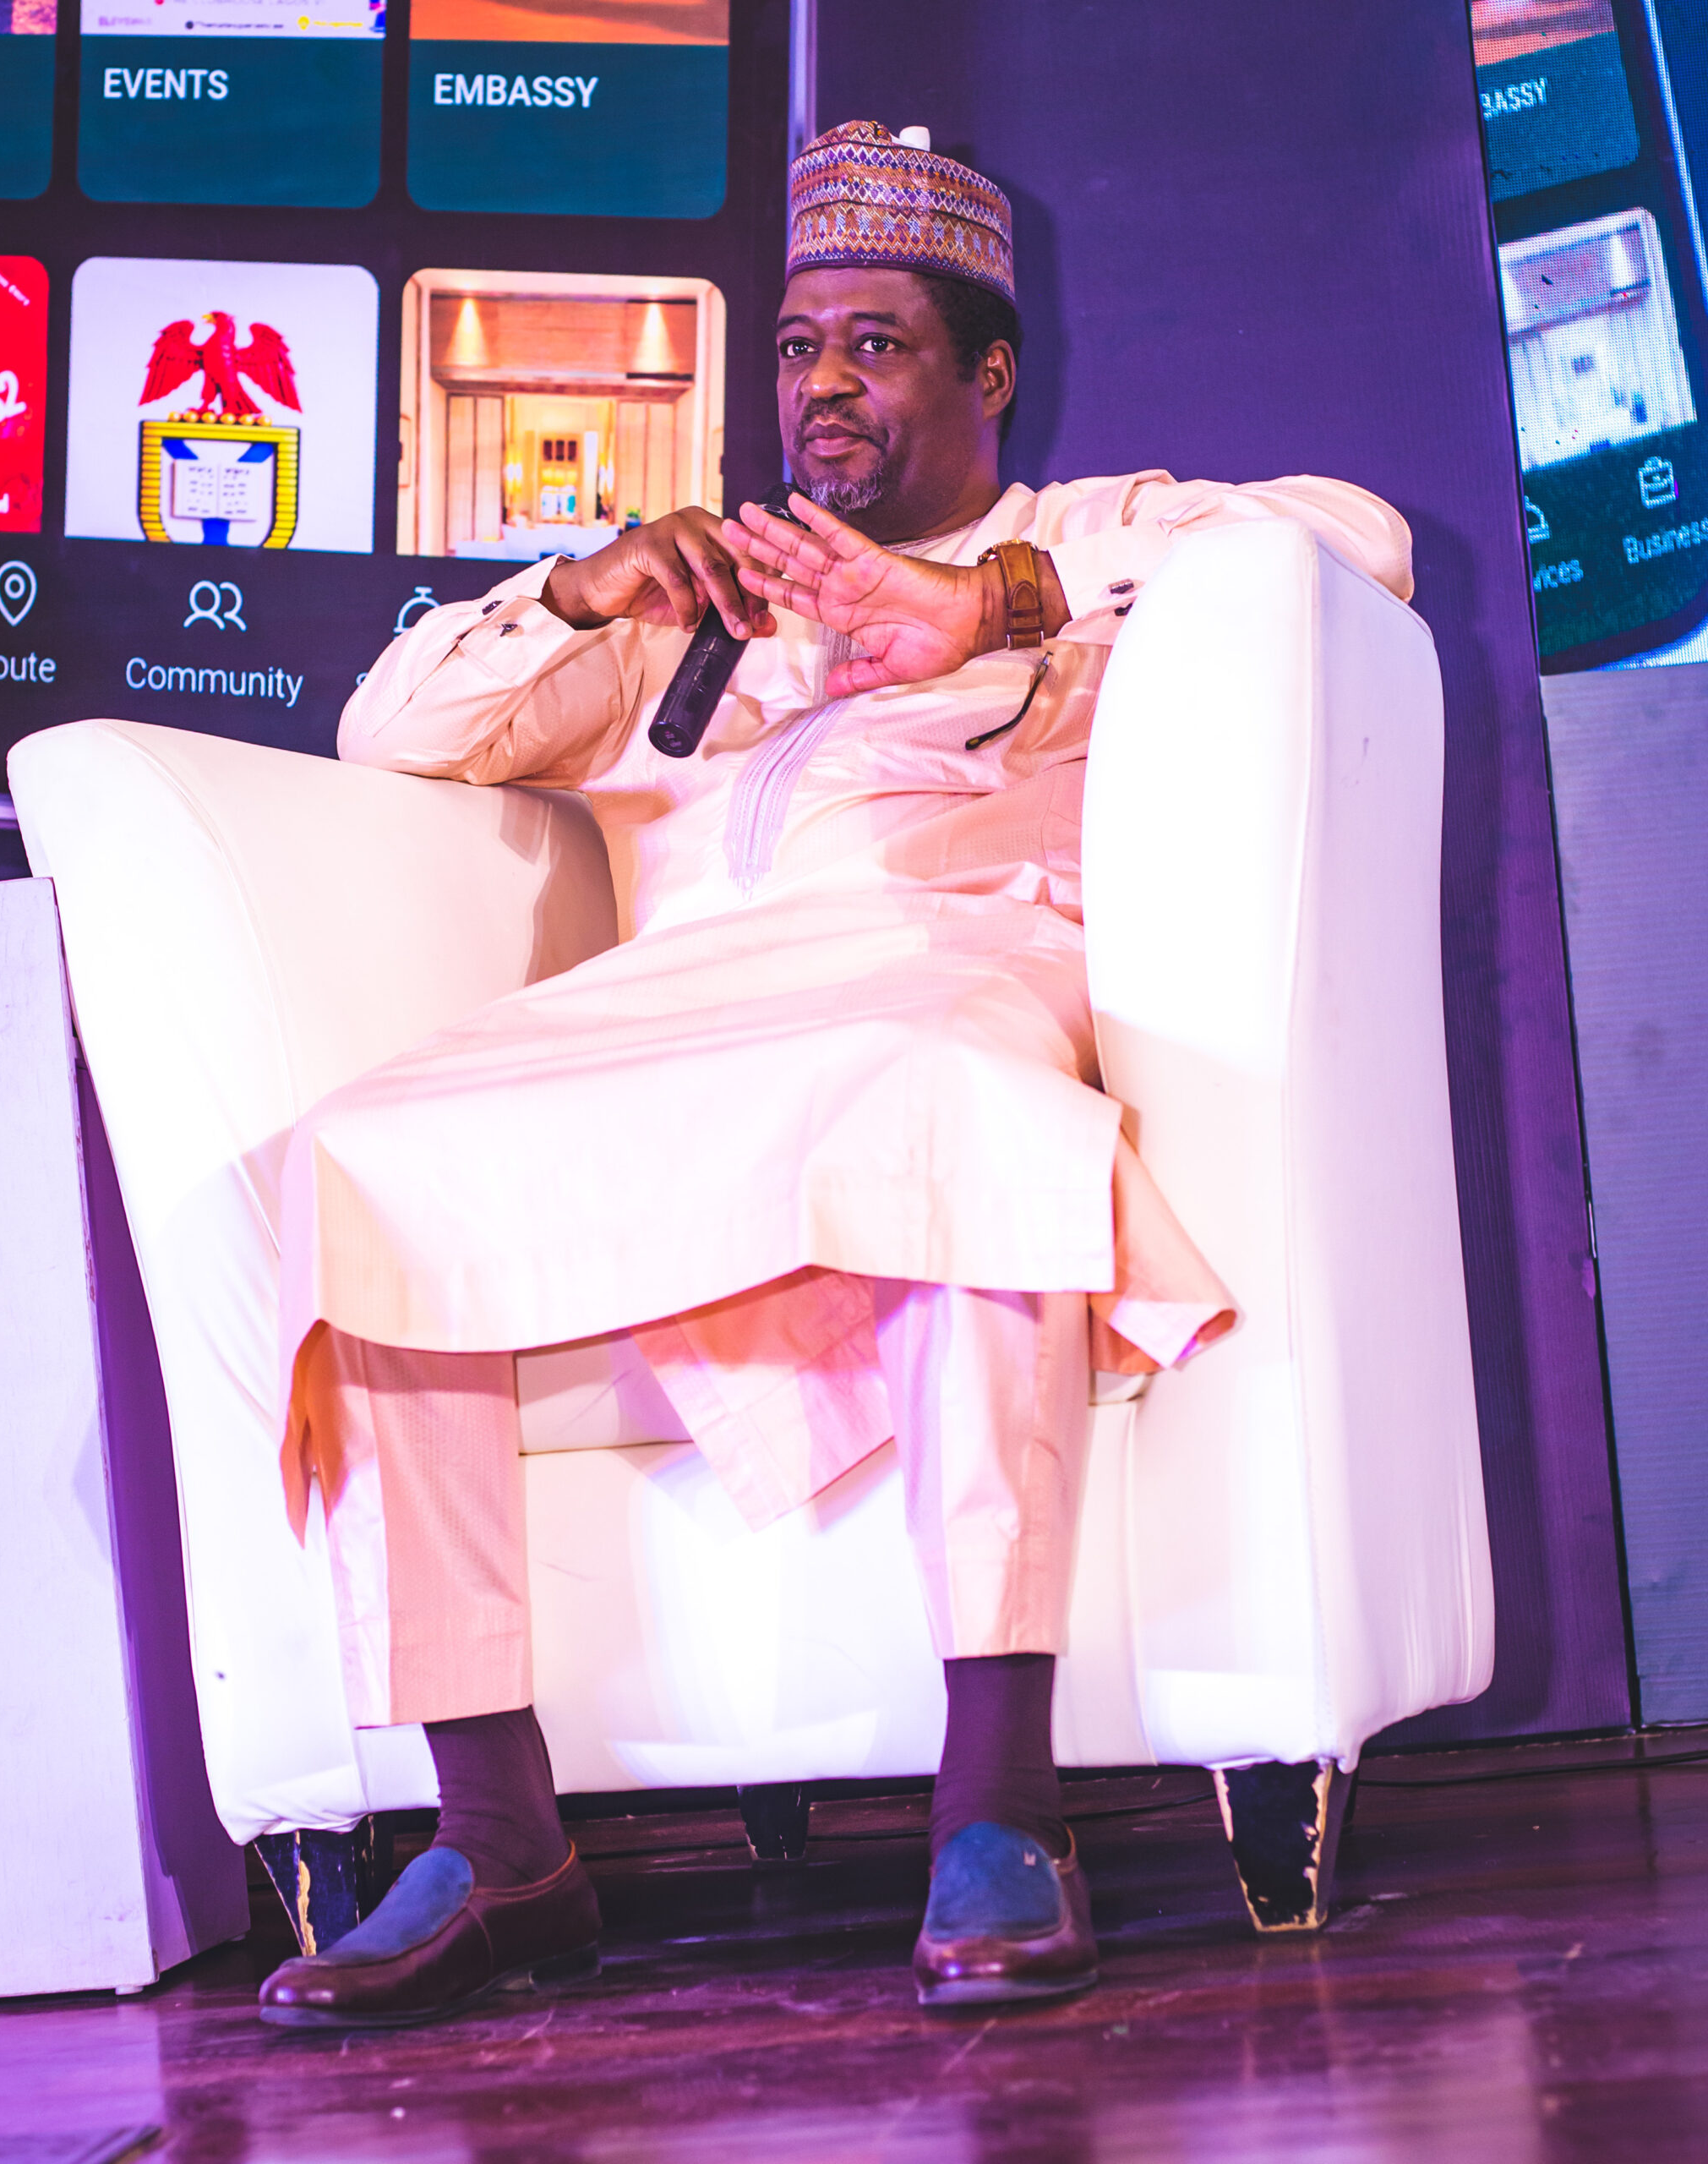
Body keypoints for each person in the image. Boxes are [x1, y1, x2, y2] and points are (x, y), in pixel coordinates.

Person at [259, 119, 1414, 2029]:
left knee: (953, 1104)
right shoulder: (703, 608)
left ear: (988, 372)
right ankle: (498, 1837)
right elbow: (393, 734)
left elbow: (1355, 540)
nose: (822, 387)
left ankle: (999, 1807)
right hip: (679, 1021)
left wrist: (996, 605)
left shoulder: (1085, 539)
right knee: (368, 1155)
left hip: (933, 979)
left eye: (876, 345)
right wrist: (585, 592)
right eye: (799, 349)